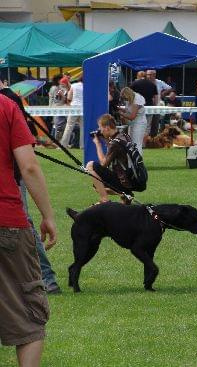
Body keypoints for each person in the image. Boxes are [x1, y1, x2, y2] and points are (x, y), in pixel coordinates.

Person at [0, 93, 57, 366]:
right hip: (7, 220)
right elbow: (29, 167)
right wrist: (47, 215)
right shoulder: (6, 107)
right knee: (27, 312)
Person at [0, 81, 61, 294]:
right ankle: (47, 278)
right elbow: (29, 167)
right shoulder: (8, 103)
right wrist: (49, 216)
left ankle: (47, 277)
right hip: (7, 203)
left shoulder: (9, 100)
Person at [85, 114, 136, 204]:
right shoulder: (124, 136)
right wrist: (106, 139)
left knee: (90, 166)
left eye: (100, 128)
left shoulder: (115, 143)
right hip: (133, 179)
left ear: (107, 128)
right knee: (97, 185)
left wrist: (98, 144)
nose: (100, 131)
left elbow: (103, 164)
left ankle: (105, 200)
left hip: (124, 181)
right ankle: (125, 195)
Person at [118, 87, 147, 154]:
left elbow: (132, 116)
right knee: (131, 143)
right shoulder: (131, 98)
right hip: (133, 123)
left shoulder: (137, 100)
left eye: (124, 98)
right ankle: (133, 162)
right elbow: (129, 110)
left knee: (136, 144)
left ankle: (138, 162)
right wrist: (121, 109)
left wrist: (121, 113)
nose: (124, 100)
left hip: (139, 123)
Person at [146, 69, 172, 137]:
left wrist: (163, 93)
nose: (148, 76)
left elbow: (170, 88)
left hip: (156, 106)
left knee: (155, 123)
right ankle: (145, 139)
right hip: (147, 105)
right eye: (147, 74)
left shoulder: (159, 82)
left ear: (154, 75)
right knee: (146, 124)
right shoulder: (144, 82)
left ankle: (154, 139)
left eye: (150, 75)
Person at [60, 74, 84, 149]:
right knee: (83, 127)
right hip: (83, 107)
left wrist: (70, 103)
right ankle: (82, 146)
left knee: (69, 126)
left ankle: (63, 145)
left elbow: (69, 97)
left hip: (74, 107)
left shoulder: (74, 85)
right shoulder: (89, 86)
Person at [48, 74, 68, 141]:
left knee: (59, 126)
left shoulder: (62, 87)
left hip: (62, 108)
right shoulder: (54, 88)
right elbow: (53, 99)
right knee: (58, 126)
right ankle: (56, 141)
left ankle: (57, 141)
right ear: (58, 80)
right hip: (57, 108)